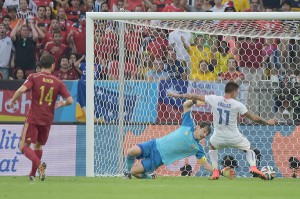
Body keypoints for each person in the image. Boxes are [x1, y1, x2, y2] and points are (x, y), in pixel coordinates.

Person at [168, 81, 277, 180]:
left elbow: (194, 96)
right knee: (249, 148)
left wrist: (178, 95)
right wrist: (268, 122)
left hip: (219, 137)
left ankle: (215, 171)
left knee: (212, 146)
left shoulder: (214, 99)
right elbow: (254, 118)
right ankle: (253, 167)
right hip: (234, 137)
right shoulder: (237, 104)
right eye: (237, 92)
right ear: (234, 92)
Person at [124, 98, 235, 179]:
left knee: (134, 171)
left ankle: (149, 176)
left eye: (207, 134)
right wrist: (195, 101)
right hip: (154, 144)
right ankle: (127, 174)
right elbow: (186, 105)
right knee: (132, 151)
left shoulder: (198, 148)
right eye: (204, 131)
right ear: (198, 127)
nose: (204, 135)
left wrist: (219, 172)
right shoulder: (188, 124)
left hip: (159, 159)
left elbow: (206, 165)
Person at [9, 54, 74, 181]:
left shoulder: (34, 77)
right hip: (47, 120)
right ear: (53, 65)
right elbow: (71, 100)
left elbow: (21, 90)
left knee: (23, 146)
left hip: (34, 117)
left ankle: (39, 165)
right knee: (38, 146)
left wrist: (12, 101)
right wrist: (62, 103)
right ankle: (32, 175)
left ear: (40, 65)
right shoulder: (58, 82)